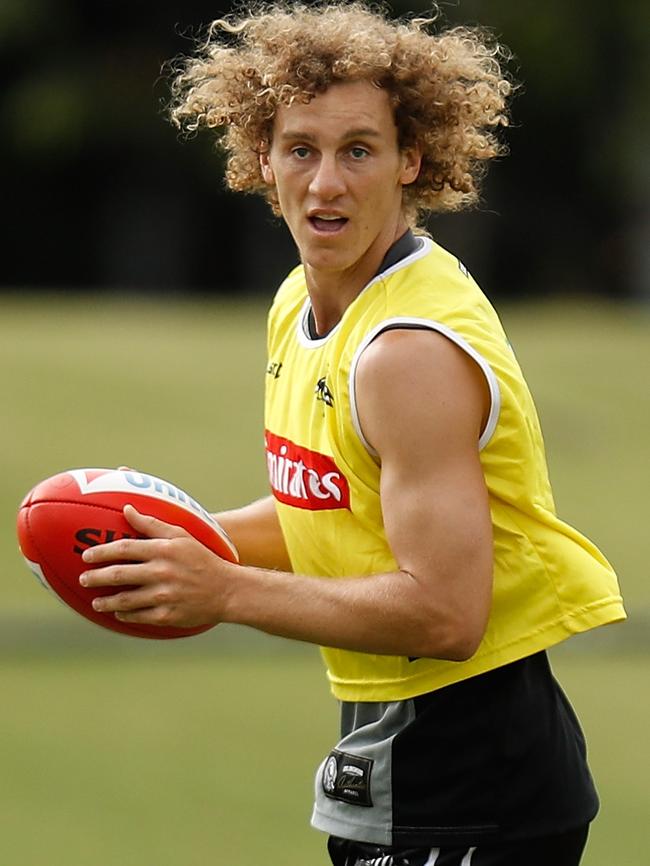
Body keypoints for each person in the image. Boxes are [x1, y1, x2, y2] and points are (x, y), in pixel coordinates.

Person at [79, 4, 626, 865]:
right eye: (301, 148)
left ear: (413, 160)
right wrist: (172, 544)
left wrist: (222, 591)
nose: (326, 182)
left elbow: (446, 613)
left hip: (473, 774)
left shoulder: (403, 353)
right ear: (261, 157)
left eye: (358, 150)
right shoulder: (303, 299)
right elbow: (328, 502)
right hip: (399, 750)